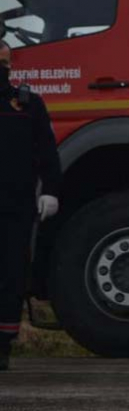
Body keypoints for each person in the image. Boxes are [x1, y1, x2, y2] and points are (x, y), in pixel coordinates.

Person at [0, 25, 60, 371]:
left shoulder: (27, 104)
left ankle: (3, 345)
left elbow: (47, 154)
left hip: (15, 207)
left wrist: (51, 190)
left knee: (10, 275)